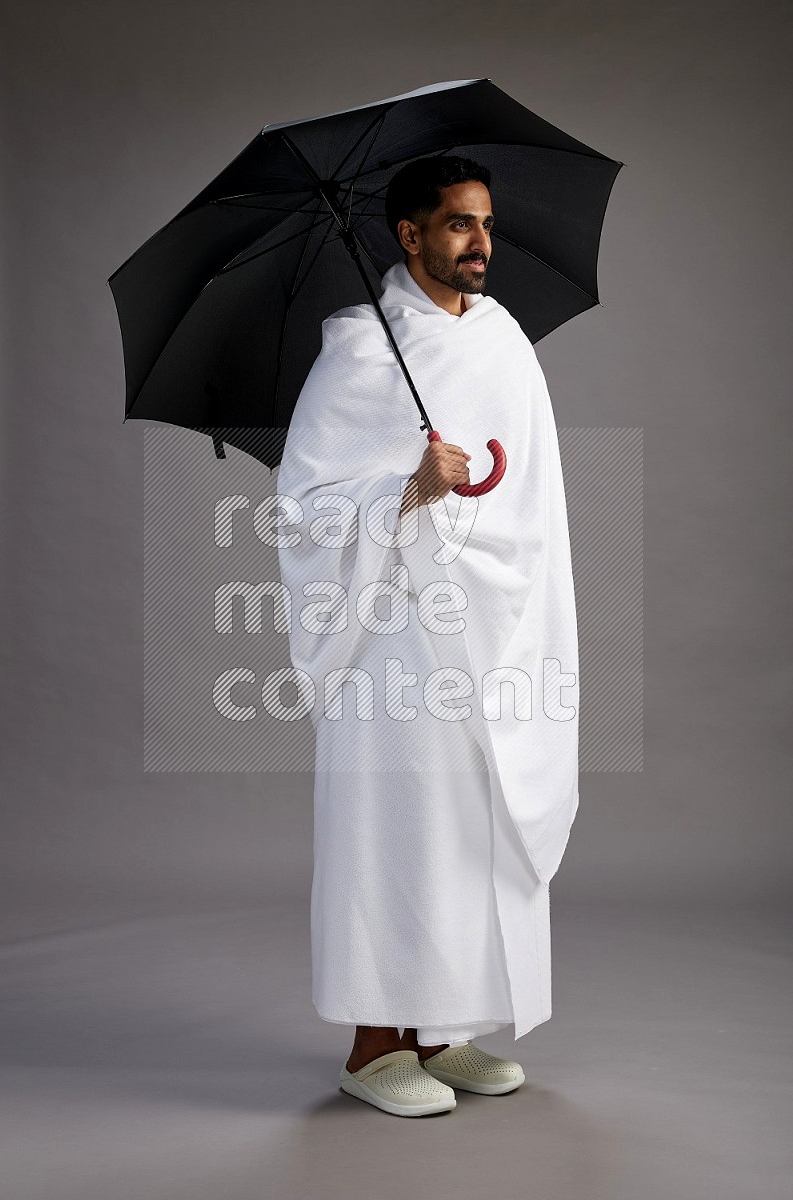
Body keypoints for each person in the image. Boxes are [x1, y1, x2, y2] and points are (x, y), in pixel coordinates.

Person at [274, 155, 579, 1117]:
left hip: (491, 628)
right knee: (396, 824)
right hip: (394, 638)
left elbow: (538, 500)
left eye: (484, 223)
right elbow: (303, 510)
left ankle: (443, 1033)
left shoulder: (505, 344)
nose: (479, 242)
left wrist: (498, 561)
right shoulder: (361, 353)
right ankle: (374, 1046)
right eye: (457, 225)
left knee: (469, 827)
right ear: (408, 237)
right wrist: (408, 484)